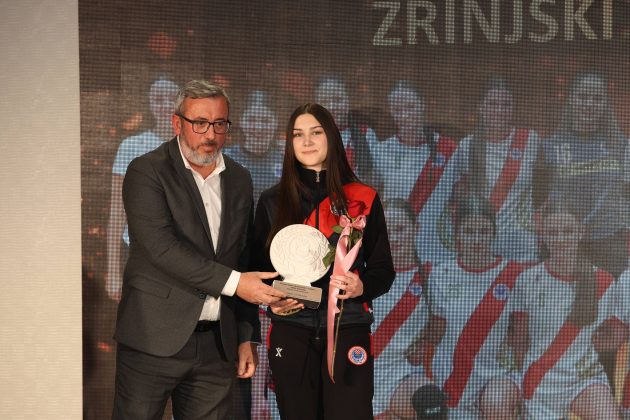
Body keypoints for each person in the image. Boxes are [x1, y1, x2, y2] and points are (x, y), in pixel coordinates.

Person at [112, 80, 286, 419]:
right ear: (177, 124)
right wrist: (237, 284)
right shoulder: (147, 171)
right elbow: (161, 249)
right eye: (200, 123)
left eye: (220, 124)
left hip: (217, 347)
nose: (211, 134)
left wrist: (246, 336)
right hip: (152, 340)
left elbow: (242, 257)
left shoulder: (239, 178)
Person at [251, 103, 395, 419]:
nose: (307, 141)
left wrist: (362, 286)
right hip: (291, 329)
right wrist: (273, 300)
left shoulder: (363, 199)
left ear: (331, 137)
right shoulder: (271, 201)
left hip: (348, 326)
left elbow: (384, 270)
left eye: (315, 132)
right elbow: (258, 272)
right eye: (297, 134)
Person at [405, 193, 526, 419]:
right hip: (449, 377)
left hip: (497, 375)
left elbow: (520, 337)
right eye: (469, 232)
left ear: (494, 232)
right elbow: (434, 333)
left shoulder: (515, 275)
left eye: (484, 232)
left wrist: (527, 389)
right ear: (457, 233)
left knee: (496, 405)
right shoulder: (439, 274)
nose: (477, 240)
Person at [509, 195, 621, 419]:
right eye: (552, 232)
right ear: (542, 234)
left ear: (581, 232)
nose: (560, 239)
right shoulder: (527, 280)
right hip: (541, 383)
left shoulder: (604, 281)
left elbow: (611, 336)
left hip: (585, 380)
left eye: (568, 231)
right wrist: (524, 385)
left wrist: (584, 357)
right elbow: (519, 342)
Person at [536, 70, 629, 277]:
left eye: (597, 98)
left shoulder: (622, 146)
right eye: (582, 96)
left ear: (605, 104)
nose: (589, 104)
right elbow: (538, 200)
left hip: (608, 244)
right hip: (562, 243)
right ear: (570, 99)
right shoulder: (549, 147)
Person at [106, 77, 180, 301]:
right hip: (141, 257)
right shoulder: (131, 146)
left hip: (185, 258)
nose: (165, 105)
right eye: (158, 99)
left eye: (171, 99)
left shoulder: (194, 149)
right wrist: (113, 271)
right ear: (149, 103)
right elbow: (117, 211)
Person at [451, 77, 540, 263]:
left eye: (505, 104)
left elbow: (546, 188)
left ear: (513, 108)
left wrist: (537, 220)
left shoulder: (530, 139)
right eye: (492, 104)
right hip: (482, 246)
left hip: (522, 247)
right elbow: (458, 196)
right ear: (481, 107)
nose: (499, 111)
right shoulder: (467, 146)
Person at [371, 80, 458, 267]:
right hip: (398, 245)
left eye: (410, 107)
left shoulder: (448, 148)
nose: (405, 115)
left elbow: (461, 196)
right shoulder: (381, 150)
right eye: (397, 109)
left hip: (438, 248)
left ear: (422, 106)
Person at [371, 199, 429, 418]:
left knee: (429, 400)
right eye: (386, 231)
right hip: (353, 370)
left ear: (416, 228)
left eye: (400, 229)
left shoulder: (435, 277)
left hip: (400, 375)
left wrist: (428, 344)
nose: (393, 237)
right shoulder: (356, 272)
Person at [314, 75, 378, 185]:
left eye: (338, 100)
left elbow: (375, 179)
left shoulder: (366, 134)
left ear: (348, 102)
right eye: (325, 102)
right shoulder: (307, 138)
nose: (332, 107)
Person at [223, 90, 283, 207]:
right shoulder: (225, 159)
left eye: (265, 121)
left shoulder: (285, 160)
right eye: (251, 120)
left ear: (275, 123)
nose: (258, 128)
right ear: (241, 122)